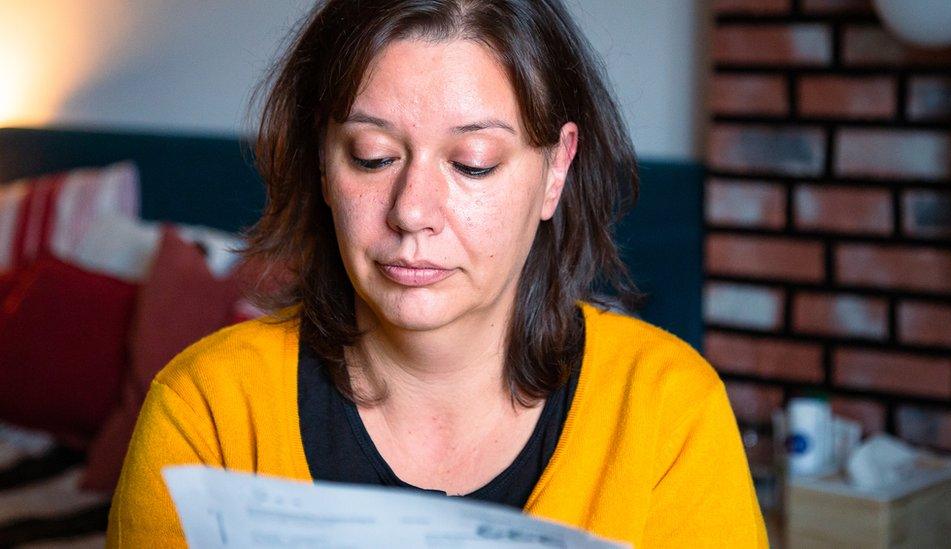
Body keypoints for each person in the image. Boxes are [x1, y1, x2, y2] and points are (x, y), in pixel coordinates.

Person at [107, 0, 768, 547]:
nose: (412, 211)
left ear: (555, 170)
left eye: (473, 161)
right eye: (371, 156)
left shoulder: (667, 410)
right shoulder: (208, 408)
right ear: (321, 163)